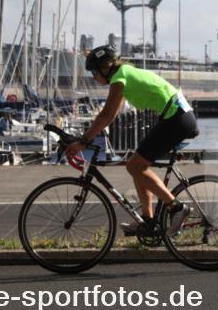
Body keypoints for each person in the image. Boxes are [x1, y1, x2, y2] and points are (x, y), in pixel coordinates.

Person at [65, 45, 197, 237]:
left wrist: (83, 141)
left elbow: (106, 115)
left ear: (105, 67)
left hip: (176, 119)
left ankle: (176, 208)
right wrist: (85, 138)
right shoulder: (124, 75)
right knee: (137, 164)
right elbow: (110, 116)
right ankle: (148, 221)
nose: (93, 76)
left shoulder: (119, 78)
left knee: (135, 166)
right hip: (176, 116)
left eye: (94, 71)